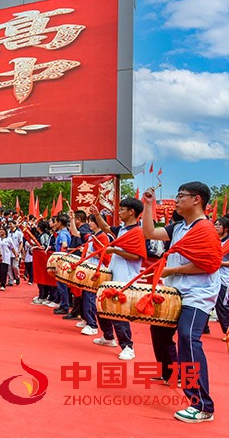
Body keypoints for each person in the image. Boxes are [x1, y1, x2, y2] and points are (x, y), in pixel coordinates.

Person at [142, 181, 222, 423]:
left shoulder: (206, 229)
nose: (176, 200)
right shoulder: (178, 227)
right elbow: (149, 233)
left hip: (198, 294)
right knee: (159, 331)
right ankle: (172, 373)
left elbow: (209, 265)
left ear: (196, 199)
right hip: (174, 291)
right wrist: (148, 205)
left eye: (180, 196)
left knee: (188, 337)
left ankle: (202, 405)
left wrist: (171, 270)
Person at [90, 198, 145, 360]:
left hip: (125, 278)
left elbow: (136, 256)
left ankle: (128, 346)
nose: (119, 212)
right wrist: (97, 215)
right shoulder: (122, 229)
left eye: (122, 210)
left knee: (118, 312)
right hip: (113, 274)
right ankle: (108, 336)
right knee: (101, 305)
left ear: (131, 212)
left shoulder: (137, 232)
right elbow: (106, 228)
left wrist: (114, 250)